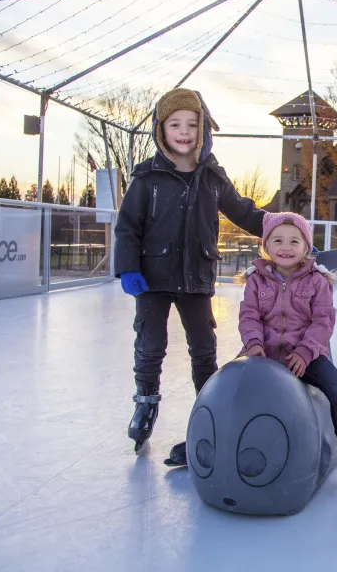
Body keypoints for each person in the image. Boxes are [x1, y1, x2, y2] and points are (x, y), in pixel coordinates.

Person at [113, 88, 266, 463]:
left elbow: (244, 212)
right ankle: (145, 402)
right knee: (150, 346)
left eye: (192, 125)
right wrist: (128, 267)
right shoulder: (146, 178)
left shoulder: (212, 177)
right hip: (151, 278)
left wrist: (281, 225)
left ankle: (208, 410)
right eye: (175, 124)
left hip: (196, 276)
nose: (184, 131)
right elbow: (127, 226)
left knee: (203, 348)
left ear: (204, 130)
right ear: (160, 129)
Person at [235, 212, 337, 494]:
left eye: (294, 241)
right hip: (262, 354)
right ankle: (215, 439)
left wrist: (305, 352)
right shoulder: (256, 280)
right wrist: (253, 344)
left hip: (305, 354)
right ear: (266, 245)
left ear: (306, 247)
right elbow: (249, 316)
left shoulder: (318, 280)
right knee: (228, 384)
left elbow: (322, 321)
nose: (286, 247)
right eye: (277, 240)